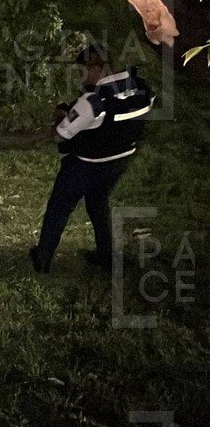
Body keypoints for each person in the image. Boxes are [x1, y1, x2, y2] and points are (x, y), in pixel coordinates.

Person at [29, 43, 153, 273]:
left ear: (95, 68)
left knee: (59, 206)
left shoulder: (92, 102)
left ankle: (43, 257)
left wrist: (60, 116)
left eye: (82, 71)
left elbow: (60, 136)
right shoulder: (141, 87)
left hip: (86, 165)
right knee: (97, 204)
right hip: (119, 161)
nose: (80, 77)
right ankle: (106, 257)